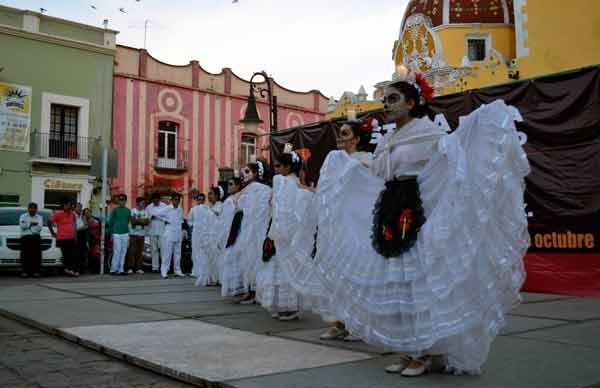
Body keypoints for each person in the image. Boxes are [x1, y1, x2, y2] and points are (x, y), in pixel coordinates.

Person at [300, 66, 530, 376]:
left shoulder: (429, 134)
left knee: (416, 283)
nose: (387, 104)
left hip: (417, 212)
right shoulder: (386, 141)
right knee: (394, 283)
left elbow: (446, 168)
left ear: (412, 102)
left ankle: (426, 352)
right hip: (390, 210)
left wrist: (471, 133)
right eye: (384, 99)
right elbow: (380, 177)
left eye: (393, 98)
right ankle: (408, 350)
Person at [256, 147, 309, 321]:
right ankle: (284, 305)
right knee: (281, 269)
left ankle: (289, 307)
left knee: (285, 270)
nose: (276, 169)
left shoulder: (284, 182)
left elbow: (289, 210)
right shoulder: (286, 183)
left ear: (288, 167)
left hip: (286, 234)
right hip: (282, 234)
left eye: (279, 166)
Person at [237, 162, 272, 304]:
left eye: (247, 171)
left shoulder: (263, 189)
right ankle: (250, 289)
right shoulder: (246, 190)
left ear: (256, 173)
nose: (244, 174)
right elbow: (240, 208)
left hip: (258, 230)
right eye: (243, 172)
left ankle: (256, 291)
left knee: (256, 259)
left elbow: (267, 210)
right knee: (248, 259)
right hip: (248, 228)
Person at [217, 177, 243, 293]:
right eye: (228, 184)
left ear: (238, 186)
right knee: (229, 259)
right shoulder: (228, 200)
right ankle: (232, 285)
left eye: (231, 184)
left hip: (237, 232)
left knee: (237, 259)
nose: (229, 186)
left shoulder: (241, 198)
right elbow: (223, 220)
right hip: (227, 232)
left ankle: (239, 286)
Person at [157, 193, 185, 279]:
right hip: (169, 233)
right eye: (175, 200)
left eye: (178, 200)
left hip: (177, 232)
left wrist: (182, 231)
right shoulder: (168, 208)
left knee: (177, 253)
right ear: (172, 200)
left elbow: (181, 220)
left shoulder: (180, 209)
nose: (177, 201)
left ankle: (177, 270)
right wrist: (165, 220)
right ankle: (164, 271)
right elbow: (158, 214)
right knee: (167, 253)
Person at [49, 198, 78, 277]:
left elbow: (74, 226)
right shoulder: (58, 214)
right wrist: (52, 232)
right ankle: (67, 269)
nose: (70, 206)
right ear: (64, 205)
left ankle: (70, 269)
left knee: (72, 254)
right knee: (66, 254)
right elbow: (49, 221)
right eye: (68, 205)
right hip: (62, 237)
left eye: (70, 205)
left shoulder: (72, 214)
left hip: (71, 237)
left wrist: (75, 236)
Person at [108, 194, 131, 275]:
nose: (121, 202)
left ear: (125, 201)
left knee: (123, 251)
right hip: (116, 233)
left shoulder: (128, 210)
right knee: (117, 251)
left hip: (125, 232)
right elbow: (111, 222)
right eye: (120, 200)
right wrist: (111, 233)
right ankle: (113, 269)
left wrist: (129, 234)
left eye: (123, 200)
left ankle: (121, 269)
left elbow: (128, 222)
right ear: (118, 201)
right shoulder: (114, 210)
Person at [19, 202, 43, 278]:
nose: (32, 210)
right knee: (25, 254)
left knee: (36, 254)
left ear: (36, 209)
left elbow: (39, 228)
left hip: (35, 236)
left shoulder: (39, 217)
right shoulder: (23, 216)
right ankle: (24, 271)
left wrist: (28, 224)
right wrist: (32, 224)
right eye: (31, 208)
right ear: (28, 209)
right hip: (25, 237)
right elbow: (22, 226)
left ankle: (36, 271)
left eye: (34, 208)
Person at [145, 192, 167, 273]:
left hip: (162, 231)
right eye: (154, 200)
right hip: (152, 231)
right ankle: (155, 267)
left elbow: (168, 218)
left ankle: (164, 268)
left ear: (159, 199)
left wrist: (159, 217)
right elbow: (146, 219)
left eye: (157, 200)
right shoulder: (149, 207)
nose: (155, 202)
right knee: (154, 250)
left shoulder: (164, 206)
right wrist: (151, 217)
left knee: (163, 250)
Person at [127, 197, 149, 274]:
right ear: (138, 203)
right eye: (142, 203)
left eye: (144, 203)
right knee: (132, 251)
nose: (143, 204)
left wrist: (138, 221)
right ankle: (130, 268)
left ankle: (138, 268)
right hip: (133, 234)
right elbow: (133, 222)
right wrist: (142, 221)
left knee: (140, 252)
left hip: (142, 234)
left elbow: (147, 222)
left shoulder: (145, 212)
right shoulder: (132, 211)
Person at [83, 208, 101, 273]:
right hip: (89, 240)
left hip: (97, 240)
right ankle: (90, 269)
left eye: (88, 212)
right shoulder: (84, 221)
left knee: (96, 255)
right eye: (85, 213)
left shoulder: (97, 219)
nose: (87, 214)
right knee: (89, 255)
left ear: (91, 212)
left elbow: (101, 228)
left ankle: (96, 269)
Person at [74, 202, 89, 274]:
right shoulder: (73, 216)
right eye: (78, 207)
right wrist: (80, 228)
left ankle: (81, 269)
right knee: (76, 253)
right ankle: (76, 269)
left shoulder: (83, 217)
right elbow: (74, 228)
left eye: (80, 207)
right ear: (75, 208)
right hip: (76, 235)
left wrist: (80, 228)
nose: (80, 209)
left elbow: (86, 226)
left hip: (82, 236)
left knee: (82, 253)